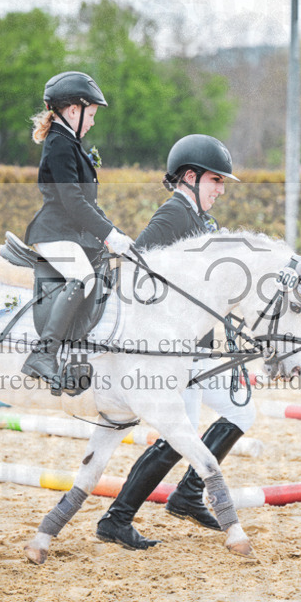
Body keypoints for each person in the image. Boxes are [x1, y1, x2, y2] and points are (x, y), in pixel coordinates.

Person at [96, 134, 255, 550]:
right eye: (216, 180)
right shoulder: (173, 214)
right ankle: (117, 518)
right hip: (170, 352)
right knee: (176, 430)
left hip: (198, 347)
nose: (221, 189)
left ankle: (186, 494)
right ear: (190, 176)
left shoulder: (204, 222)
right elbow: (136, 269)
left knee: (242, 410)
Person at [21, 71, 134, 387]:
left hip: (71, 233)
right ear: (74, 110)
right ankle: (43, 355)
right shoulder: (59, 144)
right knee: (82, 277)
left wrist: (116, 233)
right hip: (54, 231)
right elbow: (72, 201)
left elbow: (89, 205)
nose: (93, 122)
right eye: (92, 115)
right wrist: (108, 235)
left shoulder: (70, 142)